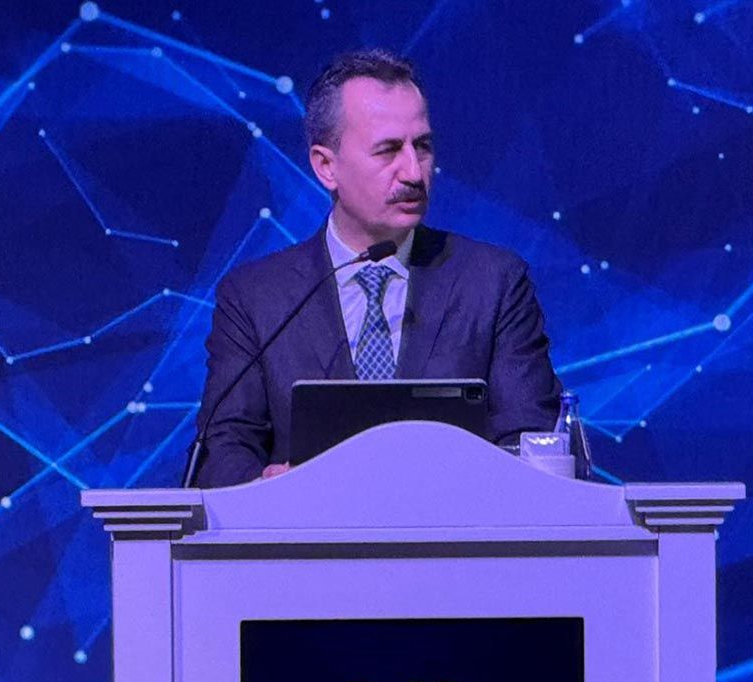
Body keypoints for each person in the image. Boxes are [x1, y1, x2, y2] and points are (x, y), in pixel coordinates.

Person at [191, 48, 561, 488]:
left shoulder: (494, 283)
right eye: (388, 151)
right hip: (307, 531)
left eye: (422, 146)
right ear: (326, 166)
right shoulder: (256, 298)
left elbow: (531, 442)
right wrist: (266, 485)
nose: (414, 173)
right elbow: (223, 448)